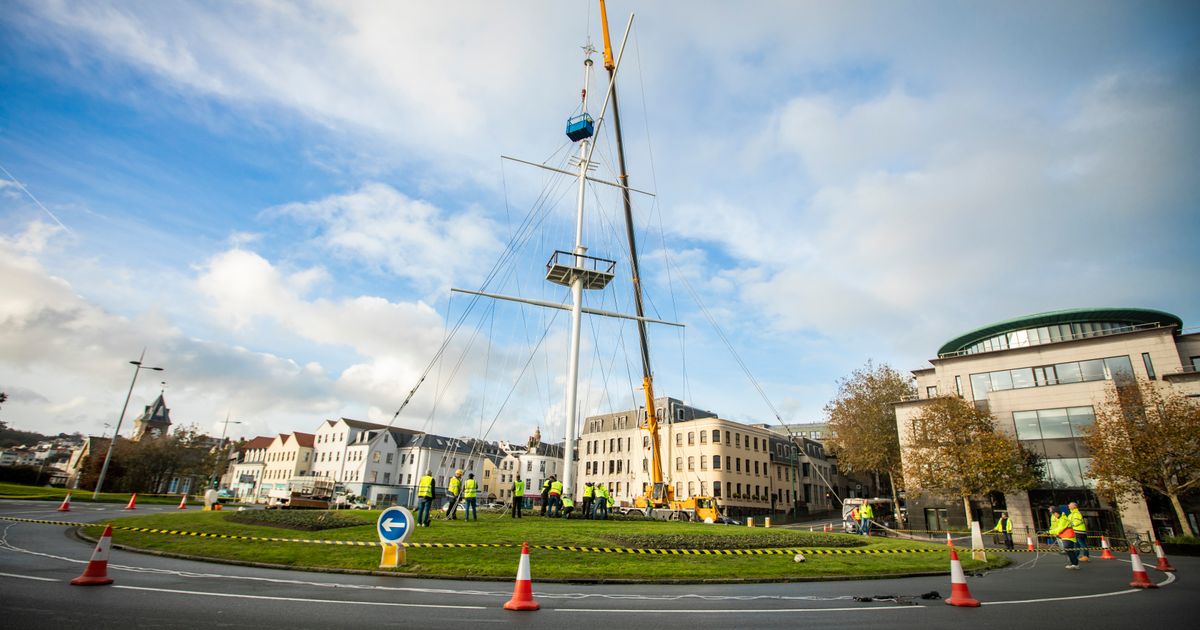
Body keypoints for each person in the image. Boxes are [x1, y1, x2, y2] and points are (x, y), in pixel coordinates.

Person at [1050, 504, 1079, 569]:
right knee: (1069, 550)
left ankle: (1075, 564)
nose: (1054, 515)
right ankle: (1074, 563)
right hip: (1066, 536)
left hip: (1068, 536)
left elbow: (1060, 528)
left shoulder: (1063, 519)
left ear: (1057, 513)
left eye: (1054, 514)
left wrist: (1049, 532)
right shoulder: (1061, 518)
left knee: (1069, 550)